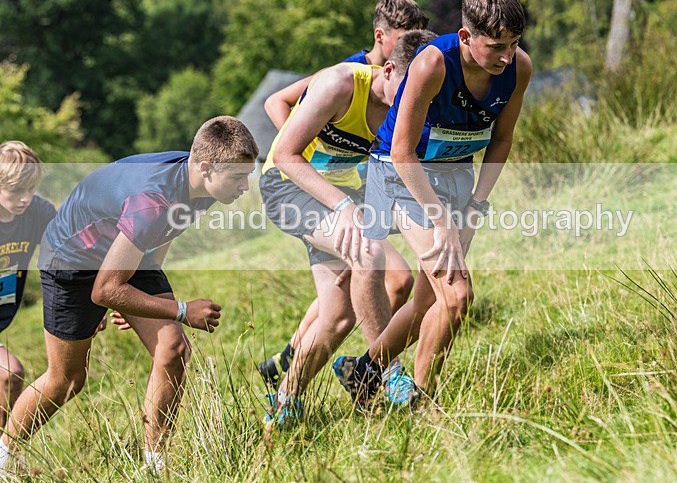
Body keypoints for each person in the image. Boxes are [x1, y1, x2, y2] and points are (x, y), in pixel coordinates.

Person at [0, 117, 258, 474]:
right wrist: (180, 309)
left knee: (173, 348)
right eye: (237, 178)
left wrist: (136, 290)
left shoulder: (203, 184)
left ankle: (154, 466)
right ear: (205, 167)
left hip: (124, 249)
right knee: (67, 381)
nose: (245, 186)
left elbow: (164, 231)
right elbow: (105, 288)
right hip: (71, 261)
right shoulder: (152, 199)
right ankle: (5, 455)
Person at [332, 0, 532, 405]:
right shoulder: (431, 66)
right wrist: (442, 221)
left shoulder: (519, 68)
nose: (506, 56)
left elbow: (501, 140)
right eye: (496, 45)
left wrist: (476, 207)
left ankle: (364, 370)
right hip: (399, 175)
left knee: (428, 299)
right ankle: (423, 403)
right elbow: (402, 153)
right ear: (464, 36)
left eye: (514, 44)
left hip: (454, 174)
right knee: (457, 295)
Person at [259, 30, 438, 424]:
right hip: (286, 186)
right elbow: (287, 155)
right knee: (368, 251)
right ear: (388, 69)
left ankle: (285, 400)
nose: (417, 106)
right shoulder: (339, 83)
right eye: (411, 94)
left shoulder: (406, 105)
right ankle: (385, 373)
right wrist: (342, 207)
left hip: (338, 196)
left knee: (338, 316)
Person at [264, 0, 429, 132]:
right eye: (403, 39)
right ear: (379, 36)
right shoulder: (345, 74)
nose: (412, 47)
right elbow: (276, 101)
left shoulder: (408, 77)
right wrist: (295, 148)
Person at [0, 142, 56, 431]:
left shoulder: (38, 212)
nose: (25, 199)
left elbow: (67, 254)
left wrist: (91, 304)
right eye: (16, 192)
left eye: (31, 190)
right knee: (10, 373)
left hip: (4, 315)